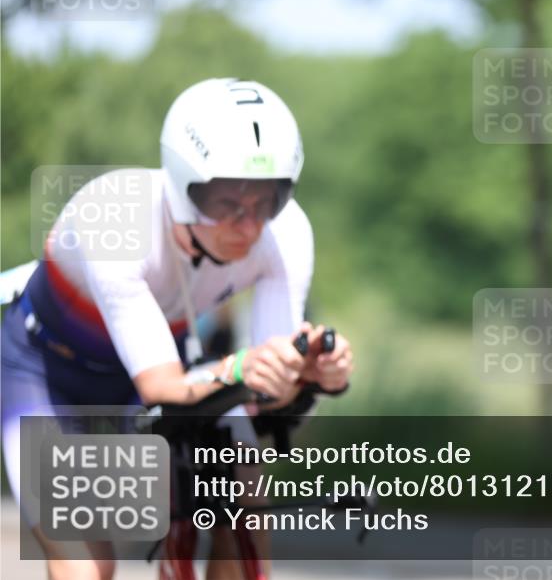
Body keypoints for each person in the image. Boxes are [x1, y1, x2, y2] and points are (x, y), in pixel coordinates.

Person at [0, 78, 354, 580]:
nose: (249, 225)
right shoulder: (116, 218)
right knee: (89, 565)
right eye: (227, 201)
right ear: (183, 184)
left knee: (244, 505)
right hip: (47, 376)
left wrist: (316, 376)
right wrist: (239, 367)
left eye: (268, 199)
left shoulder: (288, 232)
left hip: (154, 369)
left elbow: (266, 396)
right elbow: (160, 384)